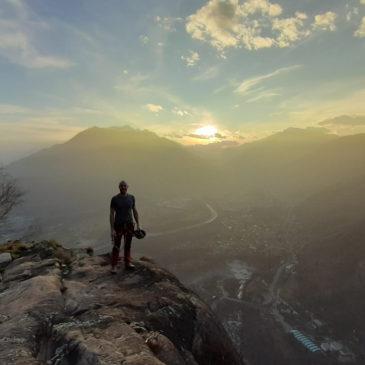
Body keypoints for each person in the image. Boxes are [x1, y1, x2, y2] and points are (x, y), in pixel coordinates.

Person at [110, 180, 140, 273]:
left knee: (128, 245)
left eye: (124, 186)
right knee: (116, 246)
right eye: (121, 186)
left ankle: (127, 263)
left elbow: (134, 211)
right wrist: (112, 229)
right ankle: (114, 266)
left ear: (128, 187)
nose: (123, 187)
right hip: (118, 225)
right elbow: (111, 214)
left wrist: (138, 224)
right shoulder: (114, 199)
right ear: (119, 187)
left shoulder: (131, 198)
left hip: (129, 225)